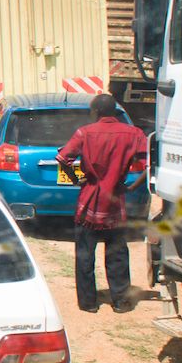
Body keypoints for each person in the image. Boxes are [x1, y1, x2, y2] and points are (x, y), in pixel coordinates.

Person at [57, 94, 148, 314]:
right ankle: (120, 301)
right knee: (117, 254)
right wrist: (131, 187)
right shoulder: (134, 134)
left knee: (85, 254)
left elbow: (63, 158)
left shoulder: (85, 133)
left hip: (89, 199)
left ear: (96, 112)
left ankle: (88, 303)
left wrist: (76, 179)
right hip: (115, 203)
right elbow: (148, 165)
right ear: (114, 112)